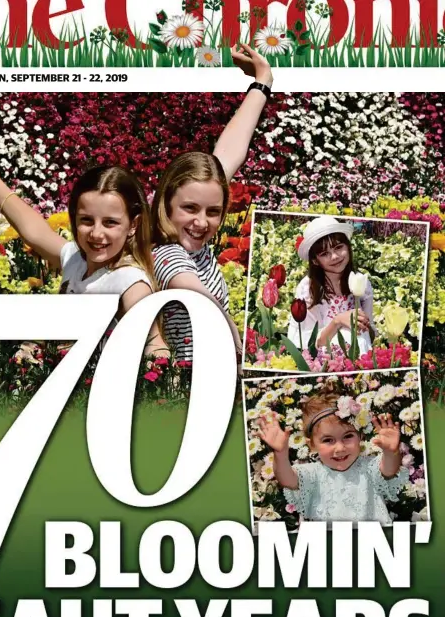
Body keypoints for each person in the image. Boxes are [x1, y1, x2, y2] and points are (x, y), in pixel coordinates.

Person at [0, 145, 168, 355]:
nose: (96, 233)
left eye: (110, 223)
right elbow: (34, 231)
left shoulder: (130, 282)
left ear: (133, 225)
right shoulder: (77, 260)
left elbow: (154, 344)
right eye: (86, 220)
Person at [152, 44, 273, 362]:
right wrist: (235, 340)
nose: (201, 221)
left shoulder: (190, 239)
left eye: (213, 211)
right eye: (189, 208)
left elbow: (233, 147)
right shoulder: (164, 251)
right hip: (185, 385)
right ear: (167, 202)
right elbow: (193, 291)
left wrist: (262, 82)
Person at [255, 393, 408, 524]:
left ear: (360, 436)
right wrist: (280, 454)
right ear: (312, 445)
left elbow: (389, 470)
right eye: (328, 440)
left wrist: (390, 452)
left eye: (348, 436)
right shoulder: (312, 473)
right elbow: (286, 479)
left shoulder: (368, 467)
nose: (340, 448)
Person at [287, 215, 376, 354]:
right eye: (324, 253)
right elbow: (309, 343)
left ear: (348, 246)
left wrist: (364, 325)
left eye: (339, 247)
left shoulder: (360, 281)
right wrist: (338, 321)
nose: (334, 256)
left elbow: (371, 335)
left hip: (360, 353)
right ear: (315, 260)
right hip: (325, 359)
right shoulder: (308, 288)